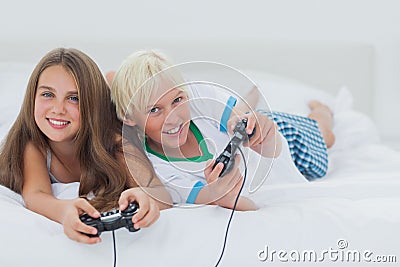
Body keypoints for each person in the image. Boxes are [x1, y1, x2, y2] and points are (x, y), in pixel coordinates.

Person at [109, 49, 335, 211]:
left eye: (177, 100)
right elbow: (215, 198)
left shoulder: (196, 96)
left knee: (324, 138)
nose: (173, 117)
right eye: (155, 110)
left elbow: (236, 118)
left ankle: (323, 113)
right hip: (261, 168)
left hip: (271, 136)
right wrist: (219, 194)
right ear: (129, 117)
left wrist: (245, 124)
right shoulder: (163, 172)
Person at [0, 48, 172, 244]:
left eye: (74, 98)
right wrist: (65, 211)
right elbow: (36, 195)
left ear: (91, 104)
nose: (58, 109)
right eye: (48, 94)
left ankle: (109, 83)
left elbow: (157, 191)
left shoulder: (115, 143)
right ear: (32, 97)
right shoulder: (33, 144)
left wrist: (146, 197)